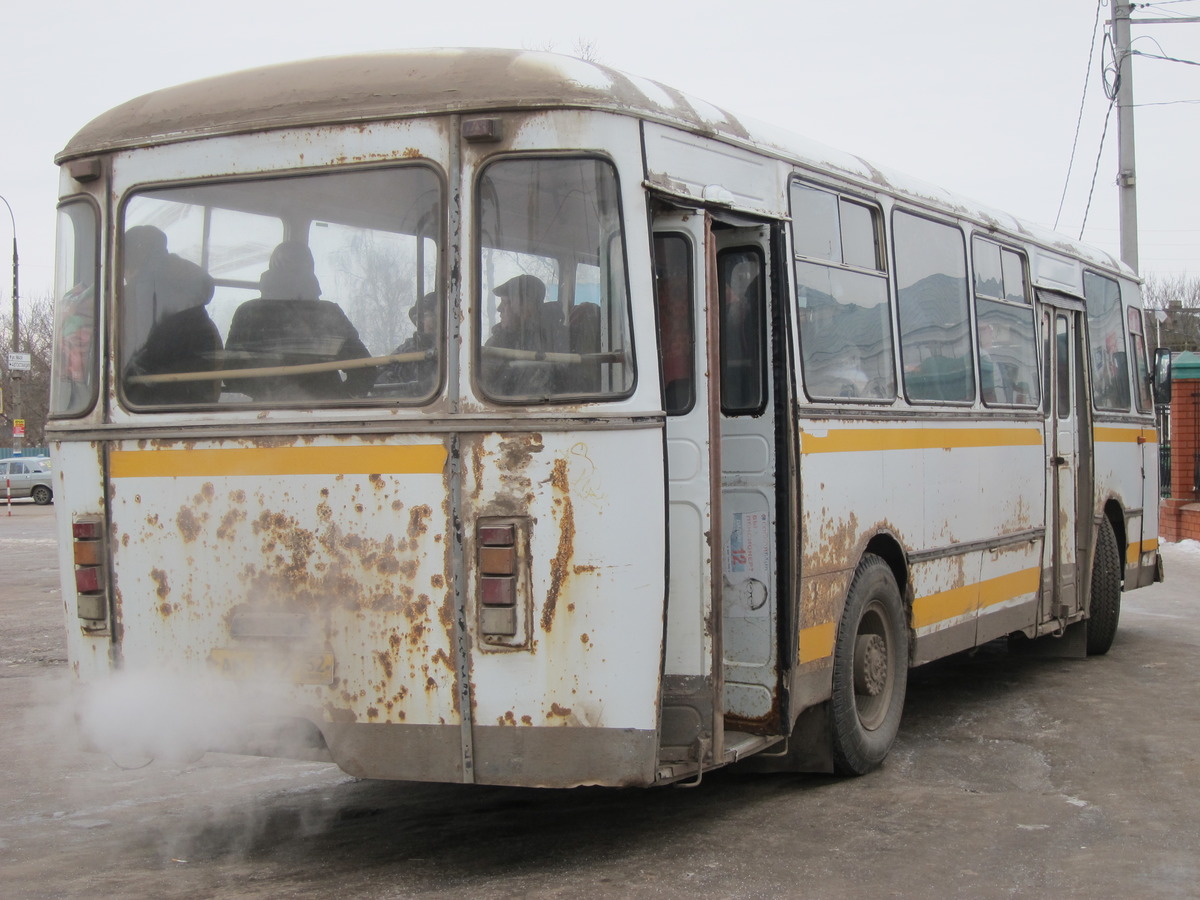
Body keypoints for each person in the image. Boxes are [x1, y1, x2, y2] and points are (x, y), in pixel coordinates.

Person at [225, 241, 375, 401]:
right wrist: (338, 398)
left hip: (268, 412)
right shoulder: (329, 312)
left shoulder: (248, 312)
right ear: (310, 269)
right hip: (326, 411)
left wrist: (270, 394)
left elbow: (232, 374)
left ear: (272, 266)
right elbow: (365, 370)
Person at [121, 225, 222, 405]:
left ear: (131, 263)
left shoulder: (142, 300)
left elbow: (136, 365)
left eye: (124, 268)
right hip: (198, 405)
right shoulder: (197, 313)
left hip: (152, 407)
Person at [481, 274, 554, 396]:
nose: (499, 309)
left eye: (505, 303)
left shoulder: (547, 339)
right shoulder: (497, 340)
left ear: (527, 306)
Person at [377, 291, 439, 395]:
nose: (424, 321)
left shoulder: (462, 349)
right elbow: (381, 383)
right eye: (421, 317)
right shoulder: (408, 350)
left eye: (427, 315)